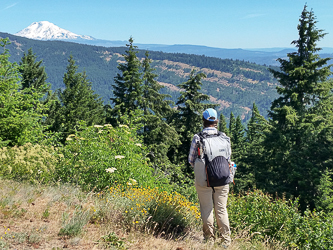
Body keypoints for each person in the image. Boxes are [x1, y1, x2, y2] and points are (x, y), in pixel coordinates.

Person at [188, 108, 231, 246]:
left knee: (207, 209)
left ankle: (209, 241)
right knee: (222, 209)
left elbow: (191, 159)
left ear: (203, 121)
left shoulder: (198, 138)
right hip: (223, 177)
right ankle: (226, 242)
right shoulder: (224, 137)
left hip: (204, 178)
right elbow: (228, 158)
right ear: (216, 121)